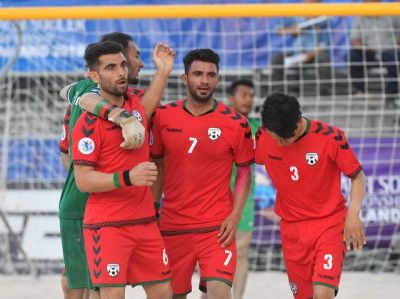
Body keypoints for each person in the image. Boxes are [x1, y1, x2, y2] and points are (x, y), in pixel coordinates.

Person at [58, 32, 175, 299]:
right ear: (94, 75)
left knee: (163, 291)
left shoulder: (134, 103)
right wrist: (128, 176)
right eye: (112, 67)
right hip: (95, 214)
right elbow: (82, 178)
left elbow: (145, 109)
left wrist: (164, 71)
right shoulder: (88, 113)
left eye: (124, 64)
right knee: (79, 286)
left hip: (142, 219)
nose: (123, 71)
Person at [150, 49, 255, 299]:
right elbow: (158, 166)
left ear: (218, 79)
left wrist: (235, 215)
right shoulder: (163, 116)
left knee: (219, 293)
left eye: (210, 75)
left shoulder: (236, 122)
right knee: (172, 295)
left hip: (217, 227)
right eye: (198, 74)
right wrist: (153, 209)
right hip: (174, 225)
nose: (204, 80)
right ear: (185, 78)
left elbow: (244, 172)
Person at [255, 92, 367, 299]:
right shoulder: (263, 136)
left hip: (329, 224)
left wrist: (353, 214)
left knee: (323, 294)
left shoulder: (330, 137)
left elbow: (358, 177)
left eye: (283, 138)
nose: (278, 144)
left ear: (297, 123)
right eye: (274, 137)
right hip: (292, 229)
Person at [201, 79, 258, 299]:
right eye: (244, 94)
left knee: (241, 253)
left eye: (252, 95)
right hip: (212, 202)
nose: (249, 99)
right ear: (231, 98)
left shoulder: (256, 128)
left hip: (242, 204)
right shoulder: (215, 122)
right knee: (212, 256)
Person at [270, 0, 332, 96]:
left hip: (314, 54)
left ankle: (323, 91)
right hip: (296, 52)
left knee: (323, 57)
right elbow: (278, 30)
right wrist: (292, 30)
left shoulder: (323, 21)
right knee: (277, 59)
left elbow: (324, 45)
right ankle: (279, 92)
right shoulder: (296, 17)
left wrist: (308, 55)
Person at [349, 0, 400, 105]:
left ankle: (392, 94)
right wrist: (362, 47)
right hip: (369, 50)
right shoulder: (360, 17)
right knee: (353, 55)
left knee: (394, 57)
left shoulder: (391, 13)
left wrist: (397, 44)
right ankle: (359, 91)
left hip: (389, 50)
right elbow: (354, 39)